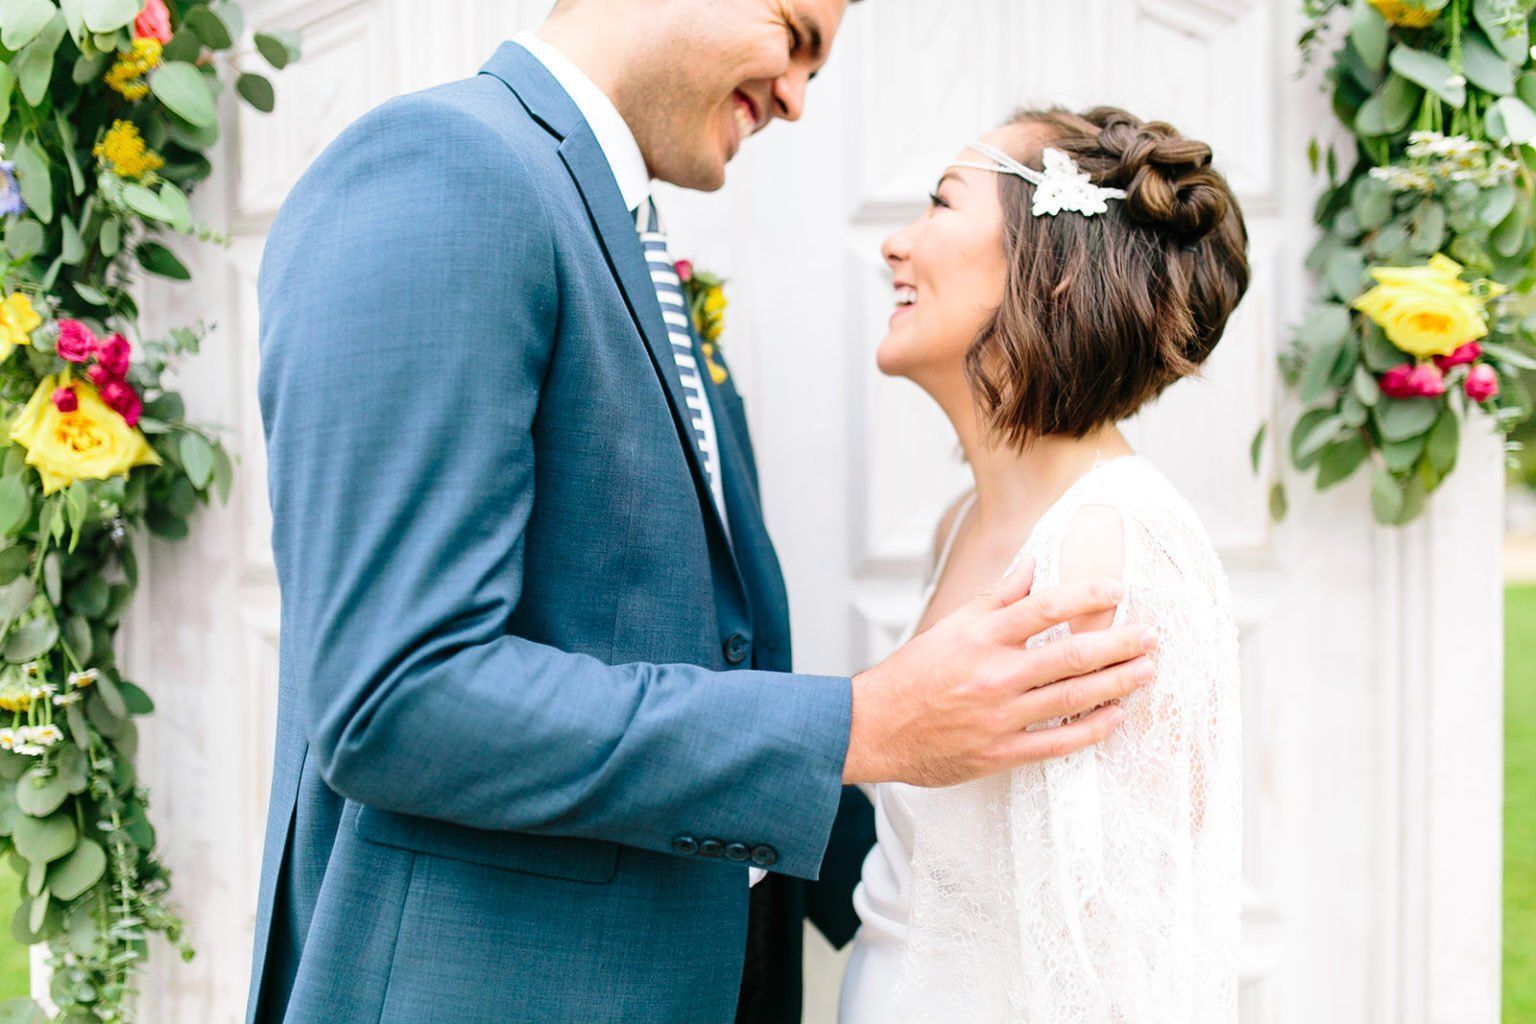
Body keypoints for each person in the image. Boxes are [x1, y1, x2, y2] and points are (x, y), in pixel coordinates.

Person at [248, 3, 1155, 1021]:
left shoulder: (631, 249)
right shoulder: (445, 171)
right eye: (798, 35)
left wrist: (958, 905)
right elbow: (398, 699)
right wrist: (863, 726)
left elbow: (715, 658)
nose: (800, 100)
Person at [839, 107, 1250, 1023]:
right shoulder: (963, 525)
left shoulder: (1108, 544)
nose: (895, 248)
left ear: (1049, 265)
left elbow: (1124, 953)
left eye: (940, 204)